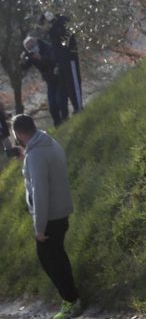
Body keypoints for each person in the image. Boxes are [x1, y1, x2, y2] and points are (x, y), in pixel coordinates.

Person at [11, 114, 82, 319]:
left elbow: (40, 192)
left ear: (20, 133)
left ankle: (71, 300)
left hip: (49, 217)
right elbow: (45, 171)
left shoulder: (35, 156)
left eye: (17, 135)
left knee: (50, 259)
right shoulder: (49, 143)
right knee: (57, 255)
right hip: (62, 211)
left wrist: (39, 228)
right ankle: (71, 297)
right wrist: (26, 158)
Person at [41, 12, 84, 114]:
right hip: (62, 60)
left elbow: (65, 36)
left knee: (74, 82)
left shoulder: (62, 22)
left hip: (69, 58)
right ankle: (76, 107)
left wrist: (50, 30)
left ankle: (79, 107)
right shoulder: (53, 30)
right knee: (68, 85)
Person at [20, 37, 69, 126]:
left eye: (32, 46)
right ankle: (58, 125)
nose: (31, 49)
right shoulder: (32, 54)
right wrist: (23, 60)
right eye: (29, 48)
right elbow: (24, 67)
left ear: (36, 44)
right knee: (52, 104)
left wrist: (40, 58)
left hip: (59, 77)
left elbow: (53, 62)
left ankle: (66, 119)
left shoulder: (48, 48)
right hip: (49, 80)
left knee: (60, 100)